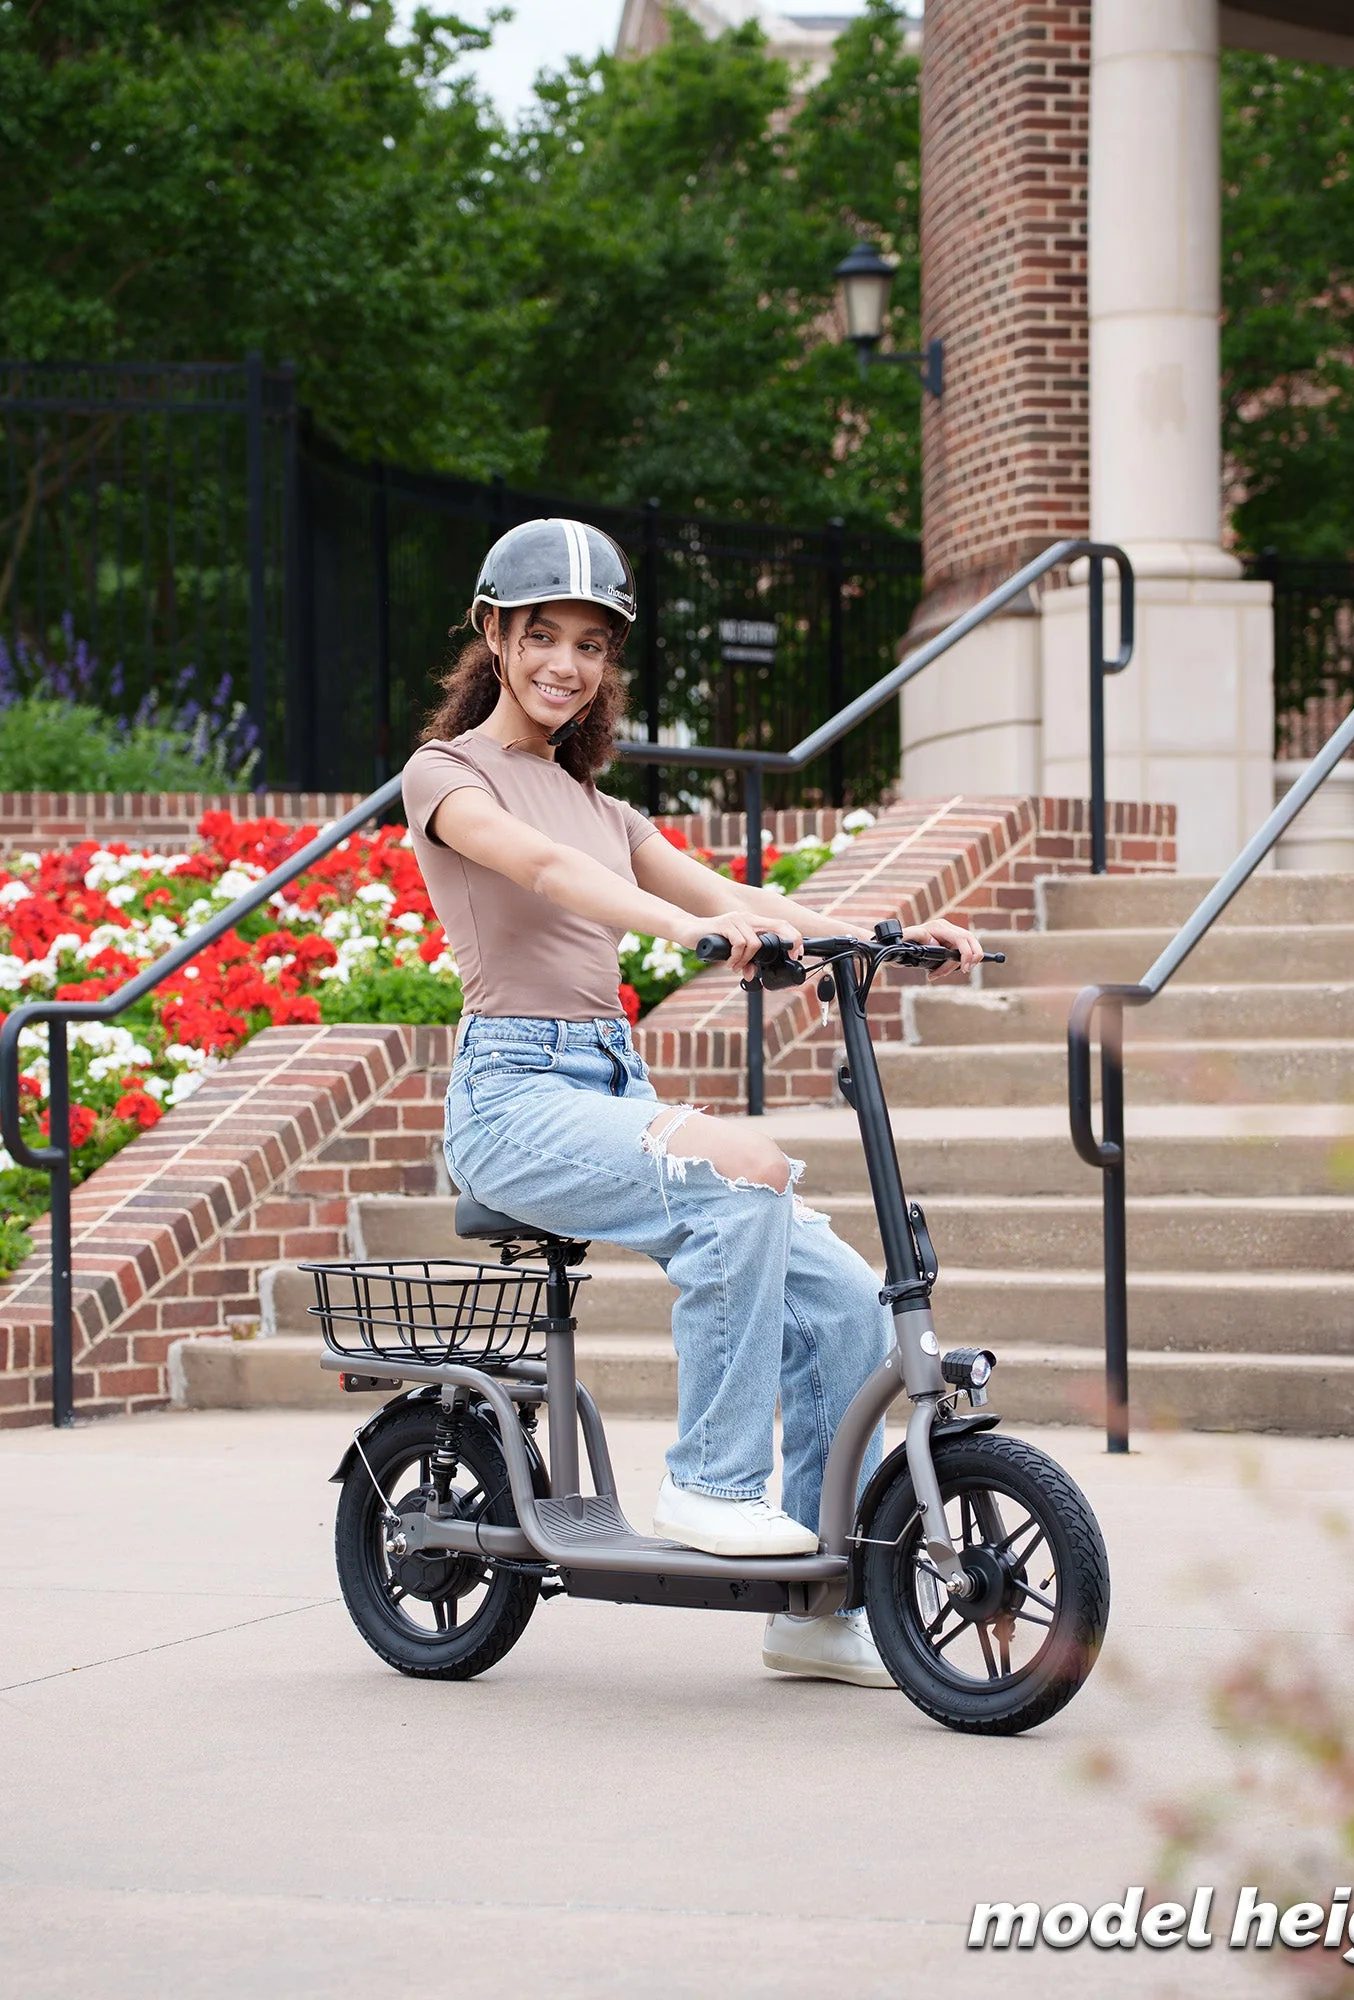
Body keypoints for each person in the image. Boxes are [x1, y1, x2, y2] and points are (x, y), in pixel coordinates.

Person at [400, 518, 983, 1689]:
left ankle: (815, 1609)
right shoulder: (445, 773)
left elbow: (730, 890)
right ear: (493, 635)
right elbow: (544, 871)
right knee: (738, 1165)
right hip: (512, 1097)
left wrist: (881, 935)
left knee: (848, 1308)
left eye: (590, 645)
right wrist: (685, 931)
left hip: (609, 1083)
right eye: (542, 636)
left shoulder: (602, 807)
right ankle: (709, 1483)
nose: (566, 664)